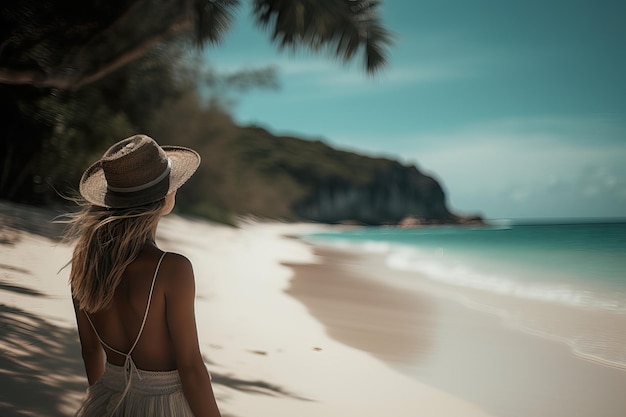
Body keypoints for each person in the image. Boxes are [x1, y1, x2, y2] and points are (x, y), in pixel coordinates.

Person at [66, 134, 221, 416]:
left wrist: (105, 400)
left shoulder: (85, 265)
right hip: (164, 405)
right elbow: (191, 367)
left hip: (106, 400)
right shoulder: (172, 268)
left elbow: (90, 352)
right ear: (164, 197)